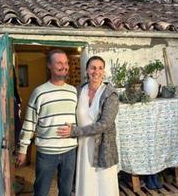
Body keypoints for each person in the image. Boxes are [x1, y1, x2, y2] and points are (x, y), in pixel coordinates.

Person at [17, 49, 78, 196]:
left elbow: (79, 118)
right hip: (46, 152)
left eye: (66, 63)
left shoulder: (74, 92)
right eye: (59, 62)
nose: (64, 66)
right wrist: (23, 150)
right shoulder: (40, 92)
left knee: (66, 191)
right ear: (49, 65)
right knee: (41, 191)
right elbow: (30, 122)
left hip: (70, 151)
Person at [58, 56, 120, 196]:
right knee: (86, 184)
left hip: (103, 147)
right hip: (83, 147)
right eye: (93, 67)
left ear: (103, 71)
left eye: (100, 68)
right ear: (87, 70)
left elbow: (104, 124)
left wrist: (75, 131)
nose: (96, 71)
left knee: (104, 184)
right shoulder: (79, 90)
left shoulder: (110, 94)